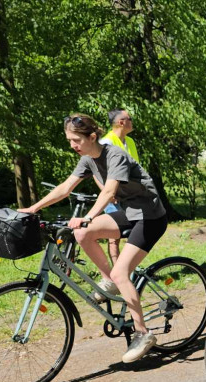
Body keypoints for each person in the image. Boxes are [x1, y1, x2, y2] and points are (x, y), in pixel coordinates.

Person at [20, 114, 168, 363]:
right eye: (69, 140)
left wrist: (88, 216)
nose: (72, 146)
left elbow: (110, 190)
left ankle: (143, 333)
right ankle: (109, 281)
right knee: (82, 233)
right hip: (130, 213)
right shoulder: (87, 159)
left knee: (122, 272)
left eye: (76, 140)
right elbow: (65, 188)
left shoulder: (115, 156)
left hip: (150, 217)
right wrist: (33, 208)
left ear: (92, 137)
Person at [98, 108, 139, 265]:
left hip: (131, 196)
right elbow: (97, 173)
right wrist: (107, 193)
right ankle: (118, 271)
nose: (132, 121)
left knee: (135, 234)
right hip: (113, 197)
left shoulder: (130, 142)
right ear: (121, 122)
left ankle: (131, 269)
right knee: (113, 237)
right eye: (130, 118)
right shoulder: (106, 143)